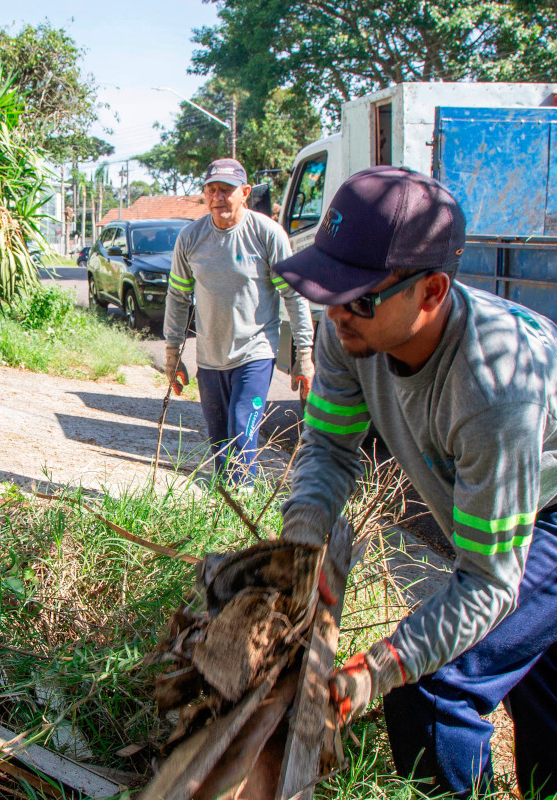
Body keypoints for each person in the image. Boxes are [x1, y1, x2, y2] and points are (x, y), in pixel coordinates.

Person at [274, 166, 557, 796]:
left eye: (361, 296)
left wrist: (375, 670)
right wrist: (303, 550)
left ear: (430, 292)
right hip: (508, 506)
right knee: (544, 700)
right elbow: (329, 447)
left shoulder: (493, 391)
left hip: (548, 511)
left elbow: (489, 581)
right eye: (329, 289)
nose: (337, 313)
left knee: (433, 693)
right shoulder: (350, 328)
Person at [163, 158, 315, 485]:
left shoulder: (266, 234)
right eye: (211, 190)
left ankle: (243, 508)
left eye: (227, 190)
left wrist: (304, 355)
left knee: (241, 434)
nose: (218, 197)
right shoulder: (190, 239)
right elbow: (177, 298)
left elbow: (294, 295)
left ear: (245, 193)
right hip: (210, 359)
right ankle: (227, 516)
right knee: (220, 444)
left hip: (255, 354)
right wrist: (172, 352)